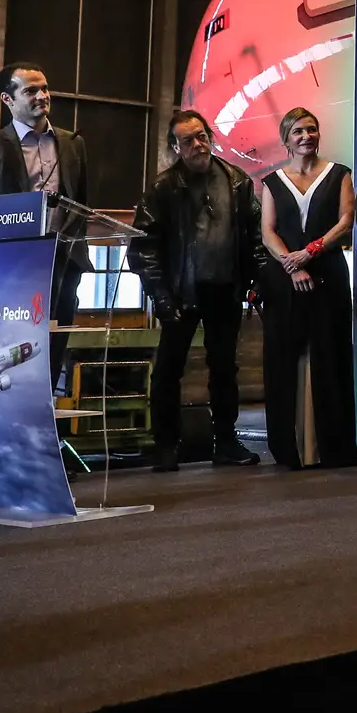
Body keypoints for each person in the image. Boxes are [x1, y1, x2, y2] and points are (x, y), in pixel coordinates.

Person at [0, 61, 90, 489]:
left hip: (59, 270)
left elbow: (81, 206)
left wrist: (67, 248)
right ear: (8, 99)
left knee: (44, 368)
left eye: (45, 88)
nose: (41, 96)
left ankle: (37, 457)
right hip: (5, 278)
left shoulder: (72, 144)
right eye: (30, 90)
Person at [129, 111, 267, 471]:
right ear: (175, 147)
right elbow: (143, 248)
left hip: (225, 290)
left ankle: (226, 442)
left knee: (224, 369)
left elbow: (254, 236)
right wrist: (160, 297)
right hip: (179, 293)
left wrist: (255, 280)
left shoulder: (237, 181)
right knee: (168, 371)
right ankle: (166, 445)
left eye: (202, 135)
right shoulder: (162, 188)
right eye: (188, 140)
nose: (198, 144)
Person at [257, 107, 357, 468]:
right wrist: (290, 263)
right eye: (298, 131)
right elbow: (268, 230)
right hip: (283, 280)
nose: (306, 136)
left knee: (331, 356)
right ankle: (289, 450)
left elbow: (346, 221)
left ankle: (334, 448)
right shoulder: (271, 182)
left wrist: (310, 252)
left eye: (311, 129)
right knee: (282, 360)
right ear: (286, 139)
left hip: (328, 273)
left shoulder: (339, 174)